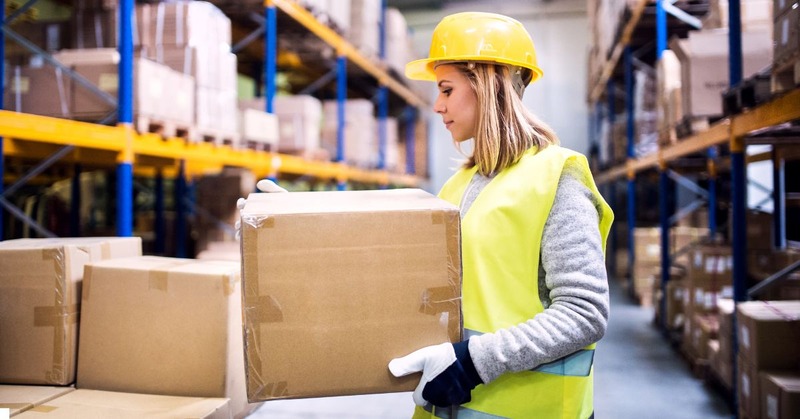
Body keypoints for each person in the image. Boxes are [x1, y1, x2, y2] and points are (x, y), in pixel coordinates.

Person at [386, 12, 614, 419]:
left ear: (486, 85)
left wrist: (473, 362)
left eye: (446, 89)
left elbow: (585, 313)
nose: (437, 106)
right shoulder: (458, 185)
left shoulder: (557, 178)